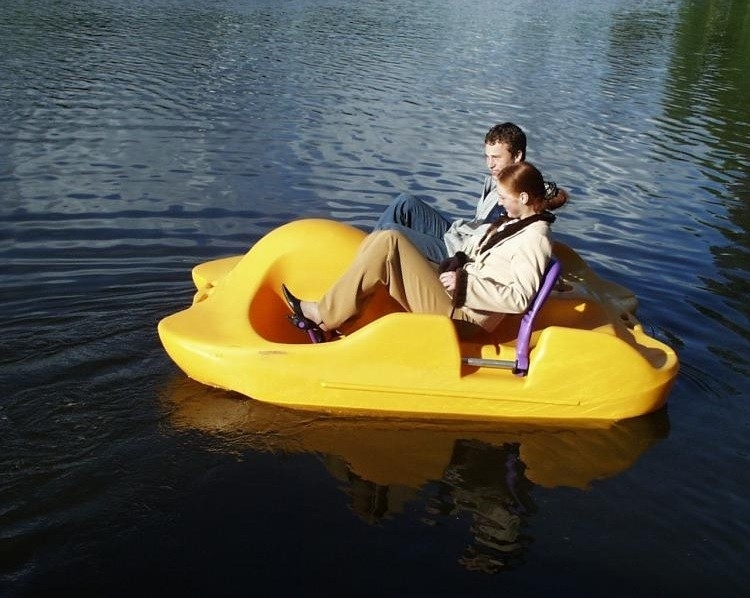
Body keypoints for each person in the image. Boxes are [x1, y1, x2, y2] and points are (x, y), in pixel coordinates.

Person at [282, 161, 555, 342]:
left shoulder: (535, 238)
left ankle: (324, 315)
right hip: (456, 297)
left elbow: (520, 298)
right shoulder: (515, 222)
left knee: (390, 241)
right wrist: (458, 262)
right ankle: (341, 315)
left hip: (465, 319)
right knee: (382, 239)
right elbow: (478, 252)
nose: (501, 203)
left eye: (504, 197)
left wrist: (464, 283)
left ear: (523, 198)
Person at [374, 122, 567, 263]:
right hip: (461, 234)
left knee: (391, 231)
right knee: (405, 203)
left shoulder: (522, 196)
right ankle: (368, 256)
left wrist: (540, 196)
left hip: (462, 253)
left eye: (496, 157)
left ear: (517, 156)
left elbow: (550, 200)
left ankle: (371, 261)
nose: (490, 164)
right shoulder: (498, 180)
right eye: (487, 156)